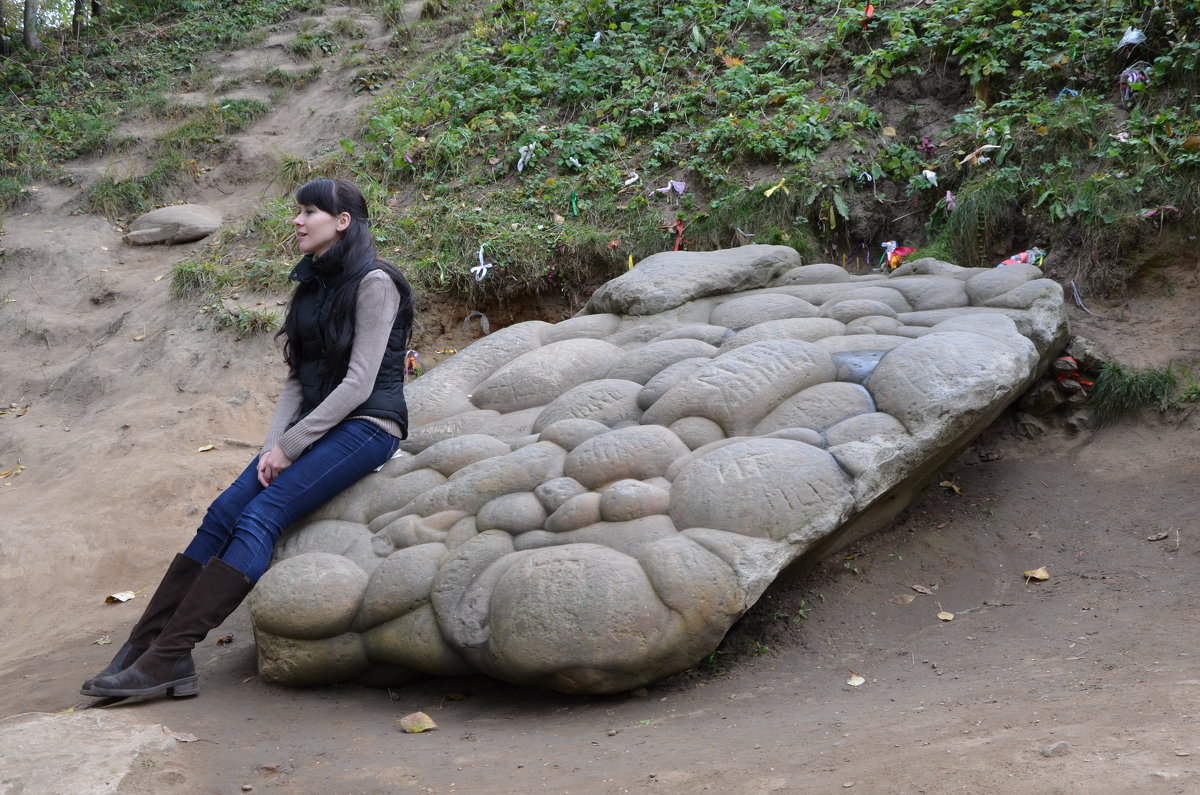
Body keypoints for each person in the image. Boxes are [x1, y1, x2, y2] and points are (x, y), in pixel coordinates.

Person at [82, 178, 414, 700]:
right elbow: (296, 379)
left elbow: (360, 383)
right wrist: (270, 446)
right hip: (314, 427)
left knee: (262, 515)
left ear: (342, 221)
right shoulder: (311, 284)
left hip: (370, 425)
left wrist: (293, 445)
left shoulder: (376, 283)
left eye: (310, 212)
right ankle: (144, 648)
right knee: (222, 512)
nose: (298, 221)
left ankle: (167, 659)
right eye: (298, 211)